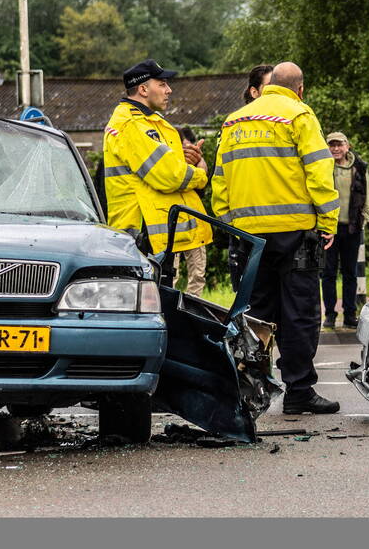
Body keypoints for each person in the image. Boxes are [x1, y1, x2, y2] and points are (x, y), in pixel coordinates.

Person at [212, 61, 341, 415]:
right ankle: (299, 392)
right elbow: (319, 171)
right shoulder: (299, 116)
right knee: (299, 314)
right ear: (300, 89)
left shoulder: (235, 121)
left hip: (249, 237)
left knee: (254, 318)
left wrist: (231, 224)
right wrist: (328, 221)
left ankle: (248, 395)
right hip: (295, 234)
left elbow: (219, 181)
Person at [102, 59, 212, 282]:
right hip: (143, 236)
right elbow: (168, 175)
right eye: (162, 84)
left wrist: (185, 159)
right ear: (143, 89)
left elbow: (166, 165)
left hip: (150, 236)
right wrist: (200, 172)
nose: (169, 90)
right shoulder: (133, 124)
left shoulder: (144, 122)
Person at [227, 64, 275, 289]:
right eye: (270, 87)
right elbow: (222, 181)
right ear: (254, 92)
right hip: (245, 234)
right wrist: (231, 226)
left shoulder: (287, 125)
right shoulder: (233, 126)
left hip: (279, 233)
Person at [321, 131, 369, 329]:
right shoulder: (323, 167)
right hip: (328, 229)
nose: (335, 149)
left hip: (352, 228)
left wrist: (364, 220)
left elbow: (368, 196)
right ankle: (331, 315)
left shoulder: (359, 167)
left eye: (339, 145)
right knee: (328, 274)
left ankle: (350, 314)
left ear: (347, 146)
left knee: (350, 273)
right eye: (331, 145)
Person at [176, 126, 208, 297]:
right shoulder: (169, 163)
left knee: (197, 272)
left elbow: (202, 188)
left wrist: (199, 164)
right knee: (171, 273)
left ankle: (193, 307)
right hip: (171, 226)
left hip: (195, 225)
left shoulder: (197, 163)